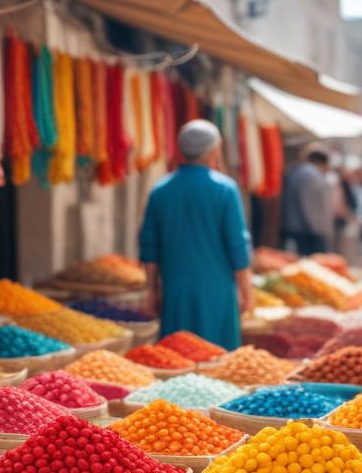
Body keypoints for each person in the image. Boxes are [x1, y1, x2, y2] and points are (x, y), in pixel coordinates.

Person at [139, 120, 254, 350]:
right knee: (218, 360)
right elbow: (237, 246)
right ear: (214, 150)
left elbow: (149, 246)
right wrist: (247, 292)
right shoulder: (225, 189)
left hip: (175, 289)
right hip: (217, 291)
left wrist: (151, 290)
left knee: (178, 357)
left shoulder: (161, 190)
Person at [281, 145, 333, 255]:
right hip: (307, 231)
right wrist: (318, 230)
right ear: (322, 162)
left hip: (300, 228)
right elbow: (308, 205)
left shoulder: (300, 171)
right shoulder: (310, 175)